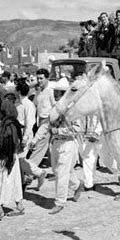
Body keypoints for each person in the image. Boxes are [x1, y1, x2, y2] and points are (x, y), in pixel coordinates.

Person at [48, 82, 84, 214]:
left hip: (68, 143)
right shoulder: (54, 108)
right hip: (55, 143)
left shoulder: (73, 110)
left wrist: (60, 131)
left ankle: (59, 202)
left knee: (61, 174)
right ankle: (76, 184)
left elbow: (77, 129)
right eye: (56, 92)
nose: (56, 95)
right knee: (58, 170)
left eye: (59, 92)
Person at [15, 80, 46, 190]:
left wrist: (25, 138)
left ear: (18, 91)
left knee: (20, 158)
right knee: (17, 159)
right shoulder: (17, 103)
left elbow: (30, 122)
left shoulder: (28, 105)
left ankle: (38, 173)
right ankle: (22, 181)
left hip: (24, 133)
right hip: (16, 132)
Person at [29, 68, 56, 167]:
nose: (39, 81)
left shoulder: (50, 91)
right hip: (39, 120)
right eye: (38, 78)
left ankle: (31, 167)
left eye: (41, 78)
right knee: (49, 146)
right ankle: (55, 166)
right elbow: (34, 104)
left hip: (48, 120)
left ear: (47, 78)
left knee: (40, 144)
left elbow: (54, 106)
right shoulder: (39, 91)